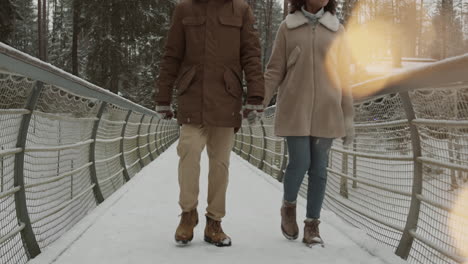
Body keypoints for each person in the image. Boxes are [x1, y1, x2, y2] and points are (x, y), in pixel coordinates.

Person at [154, 0, 264, 247]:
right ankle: (187, 214)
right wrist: (163, 97)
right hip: (192, 97)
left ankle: (214, 222)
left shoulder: (241, 10)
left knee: (220, 164)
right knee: (189, 150)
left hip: (227, 97)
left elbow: (251, 54)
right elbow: (172, 54)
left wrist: (255, 96)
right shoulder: (185, 9)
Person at [263, 0, 355, 247]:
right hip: (295, 107)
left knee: (319, 169)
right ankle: (289, 207)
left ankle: (312, 225)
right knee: (300, 162)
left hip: (327, 109)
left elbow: (345, 76)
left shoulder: (337, 30)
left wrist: (348, 116)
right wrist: (257, 101)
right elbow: (274, 70)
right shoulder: (288, 27)